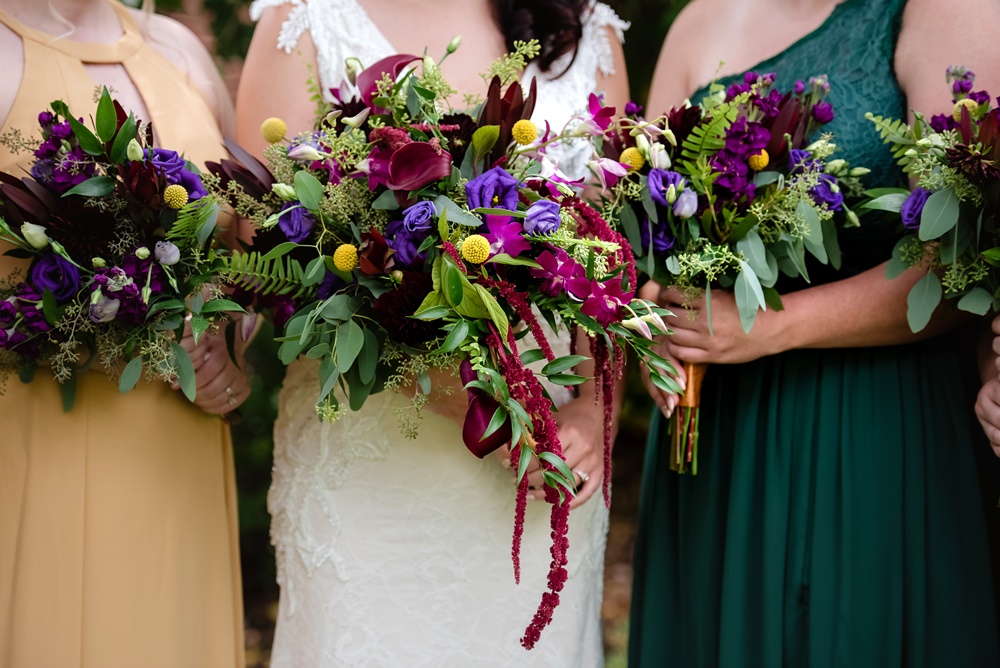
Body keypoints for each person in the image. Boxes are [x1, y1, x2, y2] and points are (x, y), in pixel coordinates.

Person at [237, 0, 627, 664]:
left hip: (549, 449)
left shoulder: (586, 29)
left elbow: (612, 245)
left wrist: (596, 409)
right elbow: (267, 253)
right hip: (377, 453)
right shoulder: (305, 20)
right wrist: (455, 393)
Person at [630, 0, 1000, 665]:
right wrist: (653, 320)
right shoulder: (700, 20)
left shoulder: (944, 11)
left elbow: (964, 257)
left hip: (870, 423)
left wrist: (774, 325)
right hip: (711, 431)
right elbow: (636, 235)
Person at [0, 1, 249, 666]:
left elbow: (246, 251)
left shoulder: (179, 48)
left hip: (182, 450)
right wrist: (80, 319)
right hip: (39, 437)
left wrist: (228, 349)